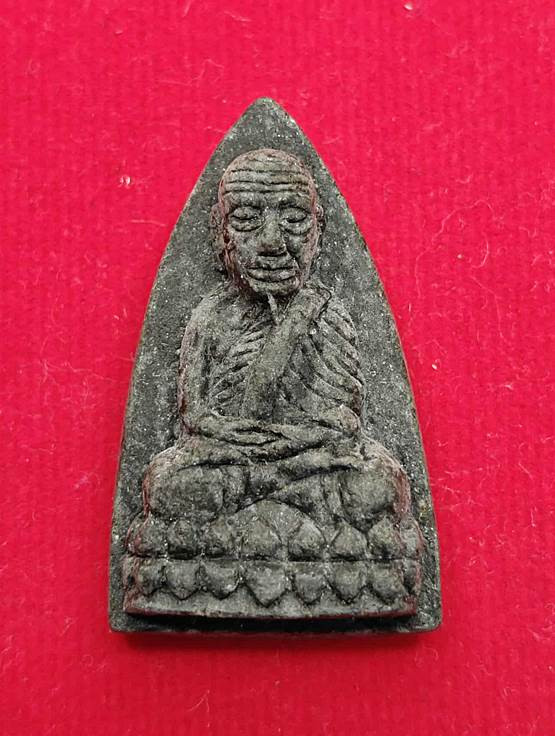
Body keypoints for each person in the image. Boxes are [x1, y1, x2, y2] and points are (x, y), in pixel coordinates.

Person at [124, 149, 423, 616]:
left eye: (293, 221)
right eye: (247, 220)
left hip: (312, 464)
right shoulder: (210, 316)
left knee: (376, 484)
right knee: (168, 484)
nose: (271, 242)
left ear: (319, 231)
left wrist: (287, 444)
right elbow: (195, 417)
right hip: (232, 461)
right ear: (220, 233)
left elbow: (346, 420)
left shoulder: (325, 313)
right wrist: (237, 438)